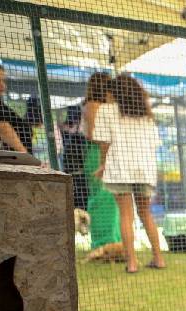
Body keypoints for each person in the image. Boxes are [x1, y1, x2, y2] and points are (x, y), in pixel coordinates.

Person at [93, 74, 165, 274]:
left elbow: (104, 143)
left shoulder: (106, 110)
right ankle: (159, 258)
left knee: (126, 214)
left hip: (120, 169)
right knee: (146, 213)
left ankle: (132, 263)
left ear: (113, 93)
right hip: (145, 169)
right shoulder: (145, 114)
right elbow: (154, 145)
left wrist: (102, 165)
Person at [80, 73, 124, 262]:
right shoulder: (92, 105)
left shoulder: (109, 107)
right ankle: (102, 242)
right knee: (102, 197)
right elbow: (93, 134)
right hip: (98, 153)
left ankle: (116, 242)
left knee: (115, 199)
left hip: (112, 152)